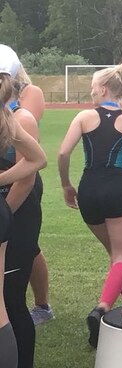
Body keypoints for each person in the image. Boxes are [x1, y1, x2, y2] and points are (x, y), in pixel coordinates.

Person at [57, 62, 122, 348]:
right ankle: (102, 309)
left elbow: (63, 153)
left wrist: (66, 185)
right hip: (117, 189)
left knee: (117, 257)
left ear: (103, 89)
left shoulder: (83, 116)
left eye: (93, 87)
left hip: (89, 190)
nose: (91, 92)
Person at [0, 47, 47, 368]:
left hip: (19, 211)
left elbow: (28, 175)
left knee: (11, 298)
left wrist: (6, 213)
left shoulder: (20, 117)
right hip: (8, 211)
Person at [8, 62, 53, 328]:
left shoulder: (28, 95)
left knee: (26, 247)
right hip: (13, 179)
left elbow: (29, 158)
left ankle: (41, 305)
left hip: (23, 180)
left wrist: (5, 211)